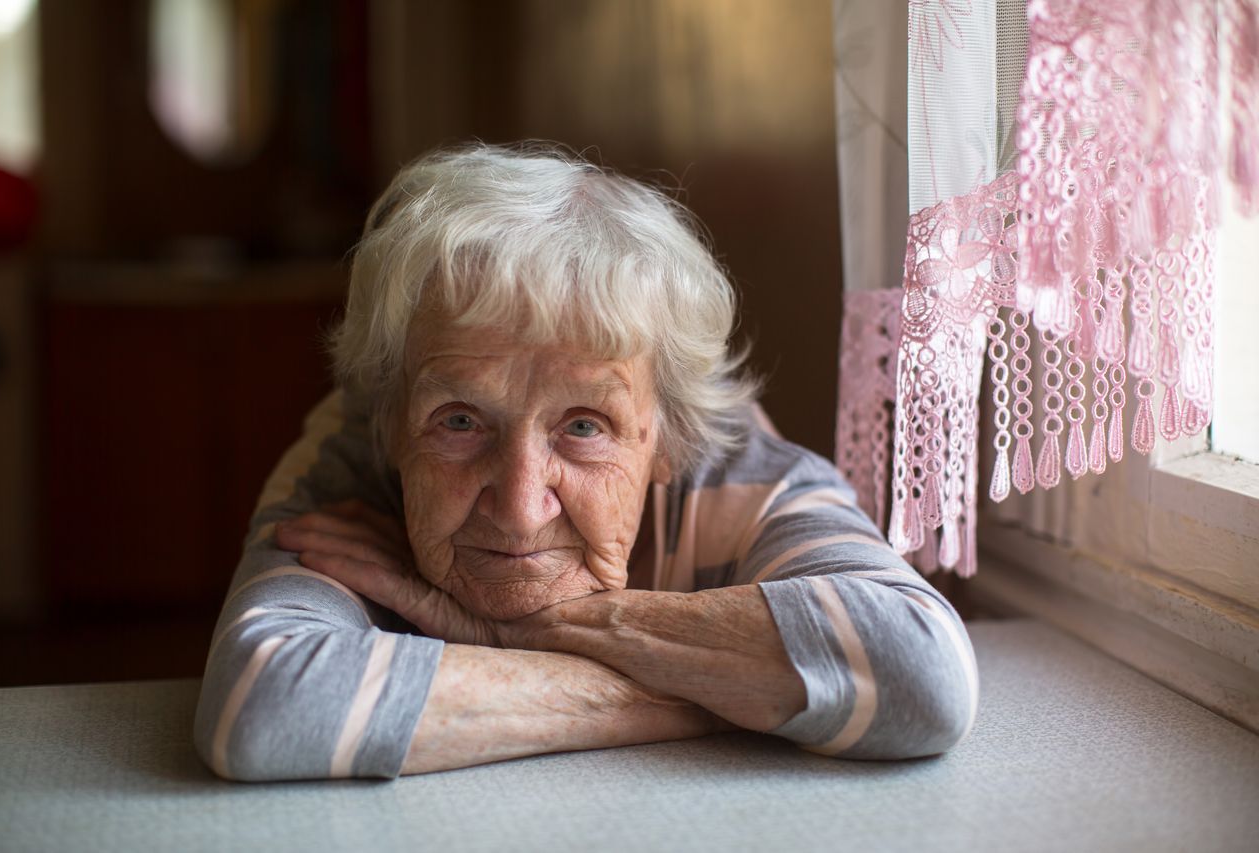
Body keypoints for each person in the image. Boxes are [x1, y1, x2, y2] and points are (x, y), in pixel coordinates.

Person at [193, 143, 978, 781]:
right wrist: (731, 694)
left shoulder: (739, 470)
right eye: (460, 421)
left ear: (666, 437)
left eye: (583, 426)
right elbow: (260, 708)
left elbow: (923, 672)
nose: (519, 506)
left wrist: (522, 630)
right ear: (394, 423)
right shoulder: (348, 470)